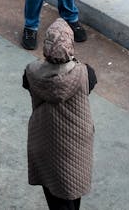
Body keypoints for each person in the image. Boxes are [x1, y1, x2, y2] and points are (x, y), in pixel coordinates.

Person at [23, 19, 97, 209]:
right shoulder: (85, 74)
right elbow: (90, 86)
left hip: (45, 144)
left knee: (55, 197)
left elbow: (26, 84)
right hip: (76, 148)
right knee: (73, 193)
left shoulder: (30, 73)